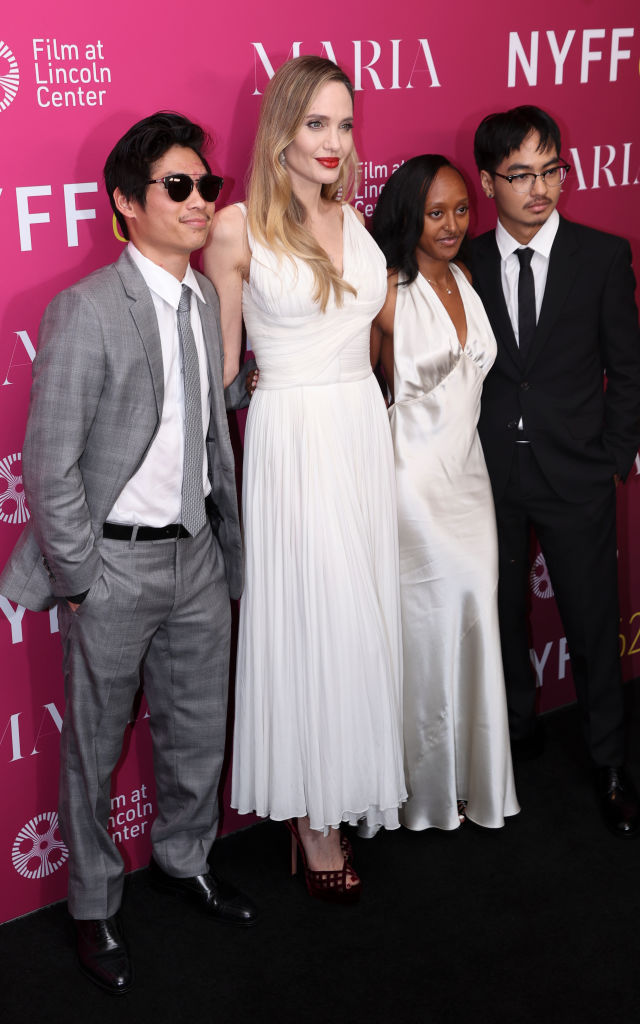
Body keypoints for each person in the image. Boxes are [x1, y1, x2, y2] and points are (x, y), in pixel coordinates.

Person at [0, 112, 258, 995]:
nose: (197, 203)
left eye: (206, 187)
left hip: (197, 559)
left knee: (196, 734)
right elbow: (49, 463)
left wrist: (224, 546)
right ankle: (93, 907)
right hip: (112, 569)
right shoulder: (86, 310)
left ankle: (185, 862)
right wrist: (82, 578)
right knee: (94, 751)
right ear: (125, 202)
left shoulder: (202, 302)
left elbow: (212, 429)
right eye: (176, 187)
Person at [203, 55, 406, 902]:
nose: (333, 142)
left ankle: (341, 784)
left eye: (346, 124)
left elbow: (384, 332)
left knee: (357, 617)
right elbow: (219, 375)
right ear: (281, 128)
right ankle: (311, 818)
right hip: (294, 439)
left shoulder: (351, 221)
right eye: (316, 123)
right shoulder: (235, 227)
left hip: (360, 433)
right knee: (314, 615)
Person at [470, 105, 640, 837]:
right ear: (487, 181)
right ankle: (516, 732)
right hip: (485, 478)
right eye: (519, 174)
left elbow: (625, 369)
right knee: (500, 617)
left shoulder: (601, 255)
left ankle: (607, 759)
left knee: (591, 618)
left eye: (551, 170)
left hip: (574, 474)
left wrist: (609, 454)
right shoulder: (464, 262)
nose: (539, 188)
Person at [371, 155, 519, 831]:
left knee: (475, 622)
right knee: (426, 636)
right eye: (436, 212)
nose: (453, 224)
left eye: (461, 209)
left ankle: (472, 780)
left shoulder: (465, 276)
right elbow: (340, 379)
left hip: (469, 479)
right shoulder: (382, 290)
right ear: (408, 215)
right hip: (409, 486)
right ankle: (420, 793)